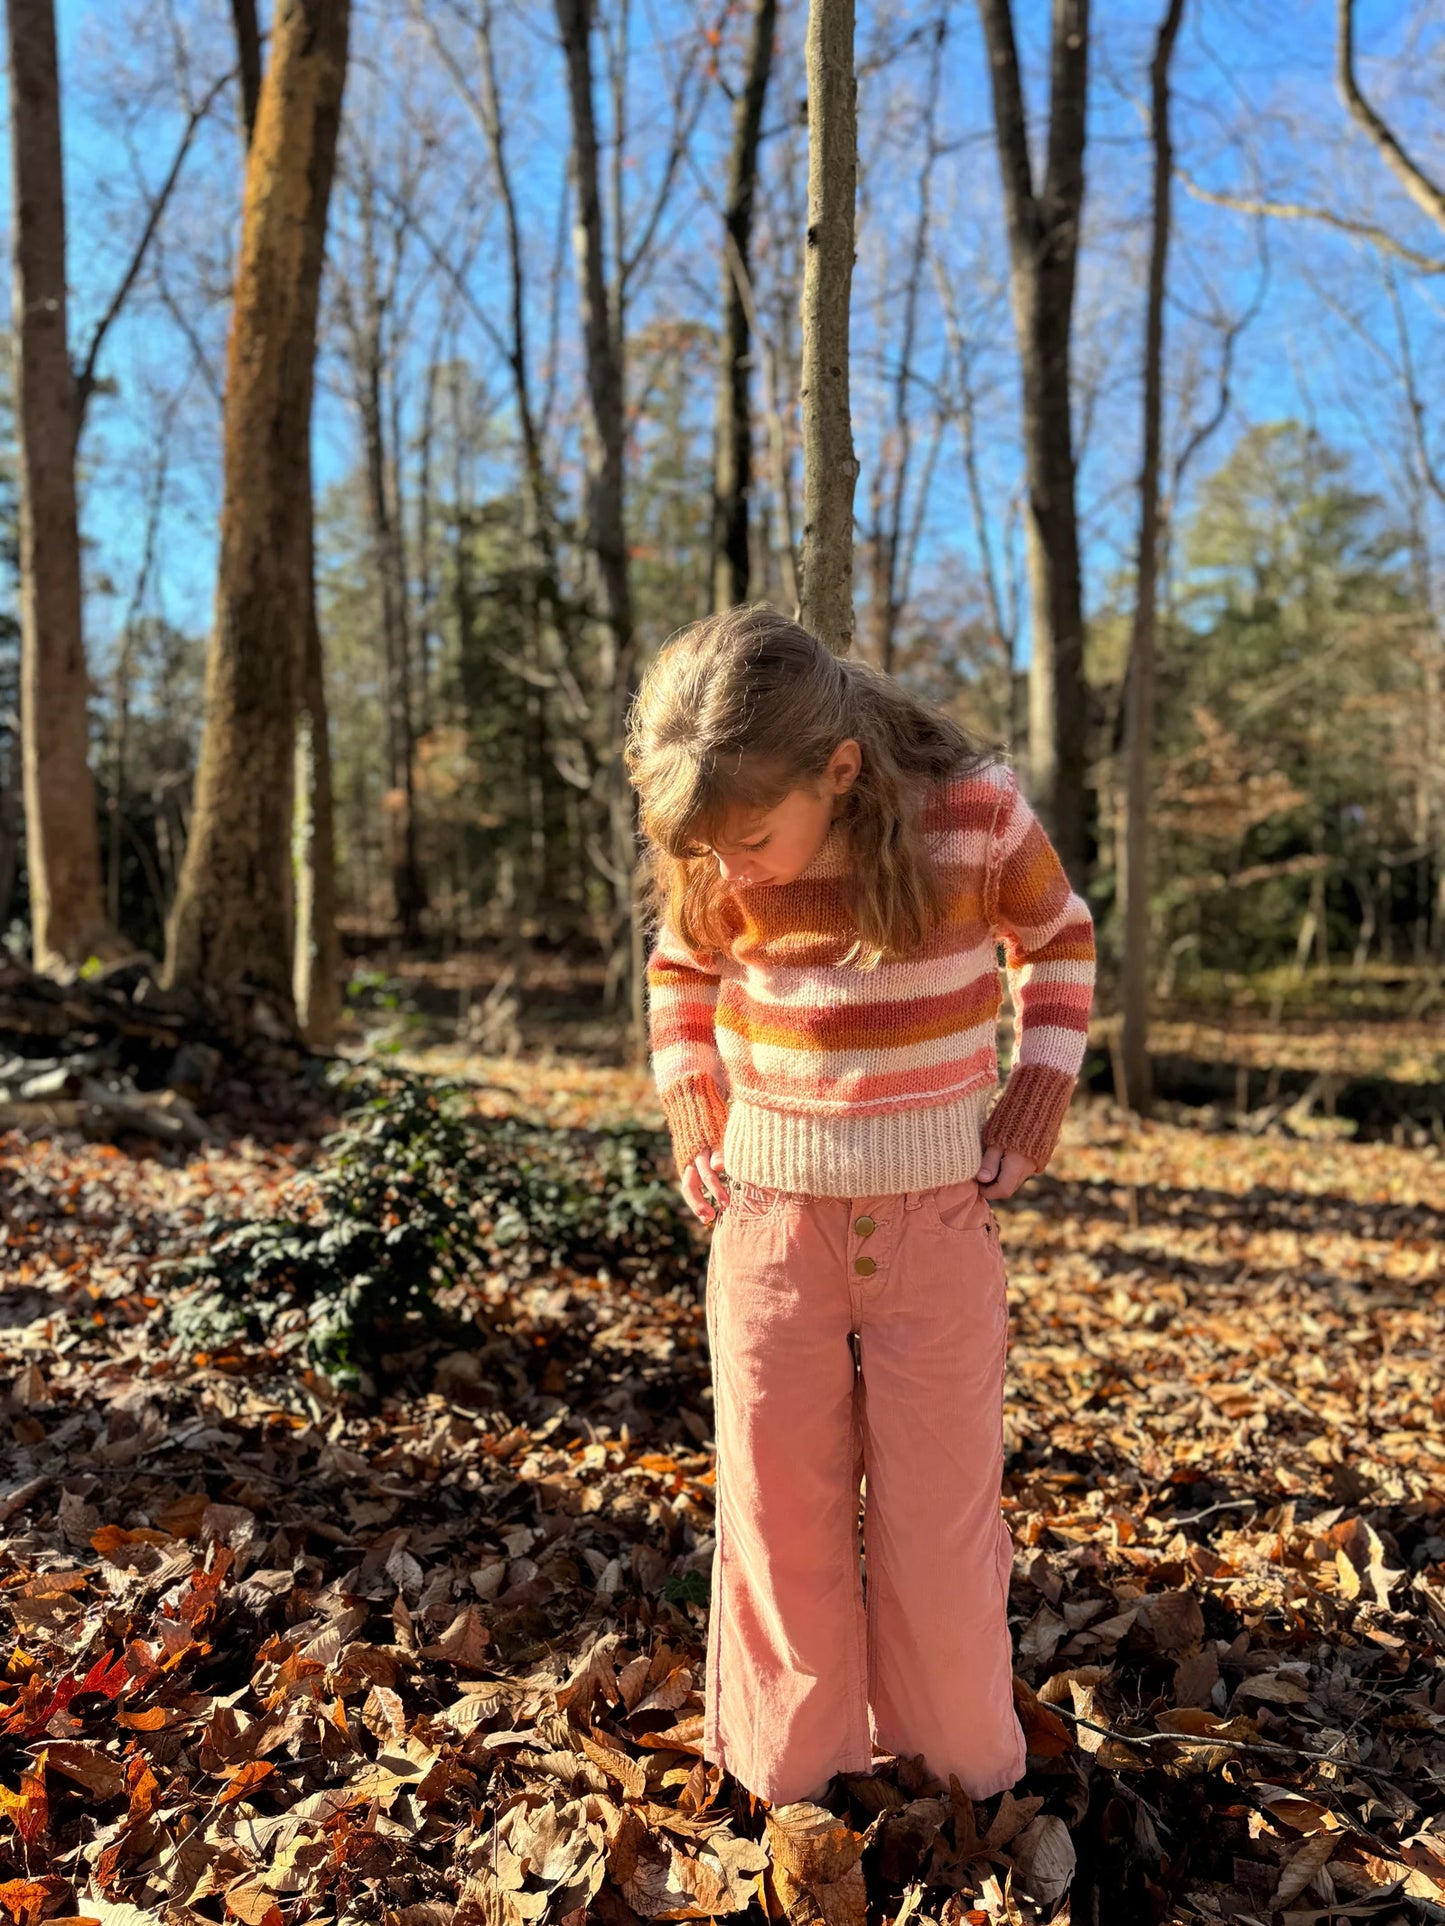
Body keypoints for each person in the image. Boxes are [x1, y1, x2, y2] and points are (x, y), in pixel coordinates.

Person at [623, 604, 1096, 1811]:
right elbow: (680, 972)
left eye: (749, 840)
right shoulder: (717, 845)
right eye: (708, 852)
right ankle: (791, 1788)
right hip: (772, 1227)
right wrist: (696, 1111)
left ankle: (958, 1784)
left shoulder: (975, 818)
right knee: (777, 1522)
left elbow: (1057, 940)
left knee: (940, 1529)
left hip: (935, 1225)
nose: (730, 871)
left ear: (837, 773)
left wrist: (1036, 1089)